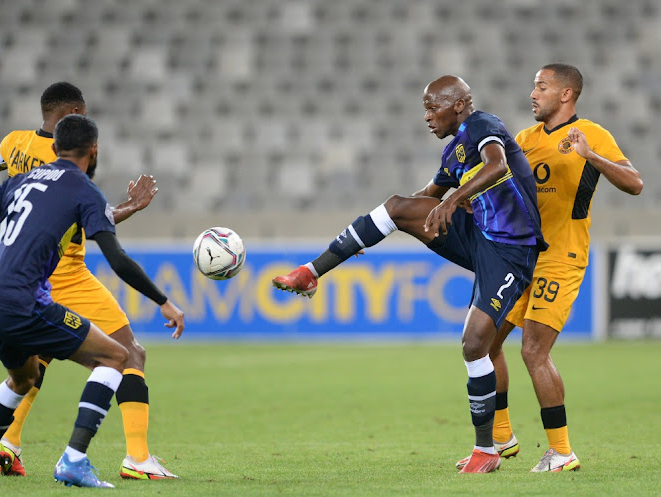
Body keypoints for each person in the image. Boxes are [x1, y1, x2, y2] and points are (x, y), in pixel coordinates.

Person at [273, 75, 547, 473]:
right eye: (425, 108)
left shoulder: (483, 126)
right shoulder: (453, 153)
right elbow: (423, 201)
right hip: (479, 236)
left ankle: (487, 449)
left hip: (512, 251)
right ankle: (311, 272)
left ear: (459, 105)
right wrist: (369, 233)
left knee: (474, 344)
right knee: (397, 206)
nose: (427, 116)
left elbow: (498, 165)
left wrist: (455, 197)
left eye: (432, 106)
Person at [0, 114, 185, 487]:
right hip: (24, 302)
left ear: (54, 148)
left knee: (24, 378)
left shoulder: (19, 180)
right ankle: (75, 459)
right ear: (94, 151)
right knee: (116, 356)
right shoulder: (84, 191)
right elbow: (117, 259)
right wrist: (163, 301)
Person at [0, 82, 177, 480]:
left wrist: (9, 164)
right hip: (66, 274)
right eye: (82, 114)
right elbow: (86, 223)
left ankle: (9, 441)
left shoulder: (17, 142)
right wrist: (131, 206)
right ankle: (137, 458)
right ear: (71, 112)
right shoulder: (67, 165)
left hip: (22, 276)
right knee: (130, 354)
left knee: (36, 364)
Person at [453, 64, 643, 472]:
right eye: (533, 86)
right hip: (520, 257)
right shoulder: (523, 140)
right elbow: (500, 189)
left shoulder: (591, 134)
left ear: (566, 95)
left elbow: (634, 183)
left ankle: (562, 451)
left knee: (534, 351)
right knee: (486, 344)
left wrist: (590, 156)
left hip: (562, 257)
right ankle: (501, 439)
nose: (533, 93)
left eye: (542, 86)